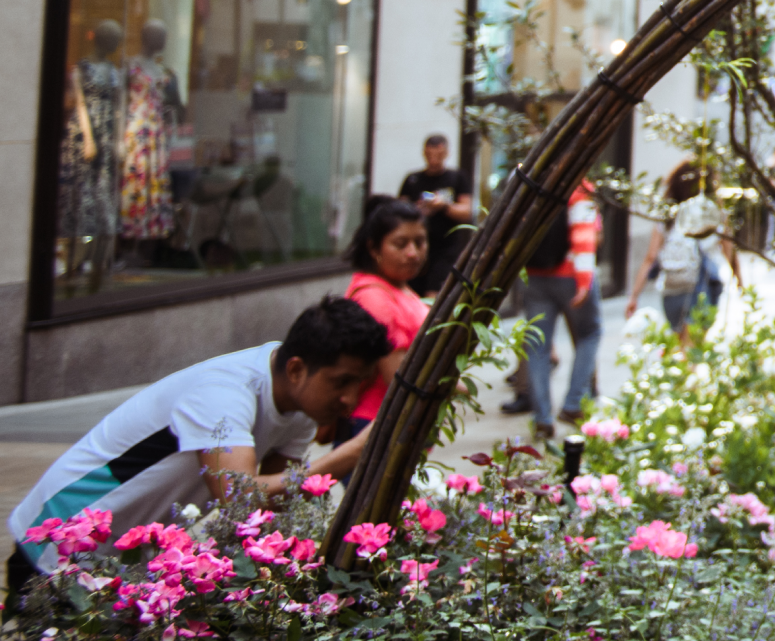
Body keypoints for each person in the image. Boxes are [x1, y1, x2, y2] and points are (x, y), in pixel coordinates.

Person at [9, 296, 389, 584]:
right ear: (296, 369)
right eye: (341, 382)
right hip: (59, 537)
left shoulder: (301, 408)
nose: (350, 400)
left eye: (359, 384)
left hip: (122, 565)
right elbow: (239, 497)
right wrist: (351, 453)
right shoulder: (224, 393)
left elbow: (271, 506)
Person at [516, 181, 602, 437]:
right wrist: (584, 281)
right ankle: (573, 403)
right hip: (570, 276)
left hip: (534, 275)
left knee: (537, 346)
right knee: (590, 334)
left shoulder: (533, 184)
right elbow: (584, 235)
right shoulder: (579, 189)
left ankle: (542, 418)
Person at [340, 200, 430, 441]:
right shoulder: (373, 296)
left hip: (398, 422)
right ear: (373, 248)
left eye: (420, 242)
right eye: (400, 244)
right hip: (372, 425)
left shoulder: (398, 286)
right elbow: (398, 376)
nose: (413, 253)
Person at [627, 161, 719, 338]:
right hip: (700, 287)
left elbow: (650, 257)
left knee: (680, 344)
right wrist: (739, 280)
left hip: (671, 288)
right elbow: (728, 250)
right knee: (694, 346)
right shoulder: (711, 213)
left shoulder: (667, 216)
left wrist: (634, 296)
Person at [396, 133, 475, 296]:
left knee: (434, 294)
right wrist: (418, 209)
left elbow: (466, 211)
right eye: (430, 155)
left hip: (446, 248)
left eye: (438, 155)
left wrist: (443, 206)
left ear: (446, 153)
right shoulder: (413, 179)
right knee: (411, 292)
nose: (433, 160)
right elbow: (399, 211)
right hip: (417, 247)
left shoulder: (457, 178)